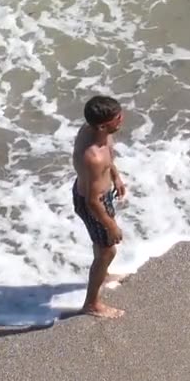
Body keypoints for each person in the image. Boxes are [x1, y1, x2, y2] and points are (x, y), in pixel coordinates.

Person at [72, 95, 129, 318]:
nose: (121, 119)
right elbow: (92, 201)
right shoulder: (92, 157)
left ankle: (102, 275)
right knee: (107, 251)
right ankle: (92, 304)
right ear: (103, 125)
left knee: (102, 247)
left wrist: (115, 176)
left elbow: (109, 159)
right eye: (118, 118)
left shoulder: (98, 132)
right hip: (94, 204)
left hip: (99, 195)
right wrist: (110, 225)